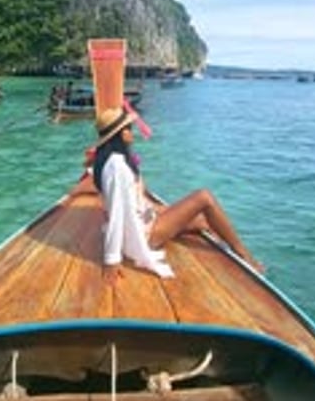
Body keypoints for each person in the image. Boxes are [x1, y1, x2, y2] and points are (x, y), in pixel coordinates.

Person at [92, 106, 263, 285]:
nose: (132, 134)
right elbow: (117, 213)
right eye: (129, 129)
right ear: (121, 133)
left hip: (145, 220)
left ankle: (230, 256)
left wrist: (158, 208)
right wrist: (111, 259)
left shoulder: (112, 159)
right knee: (204, 197)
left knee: (204, 222)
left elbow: (129, 202)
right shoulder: (117, 167)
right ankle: (243, 255)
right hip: (144, 234)